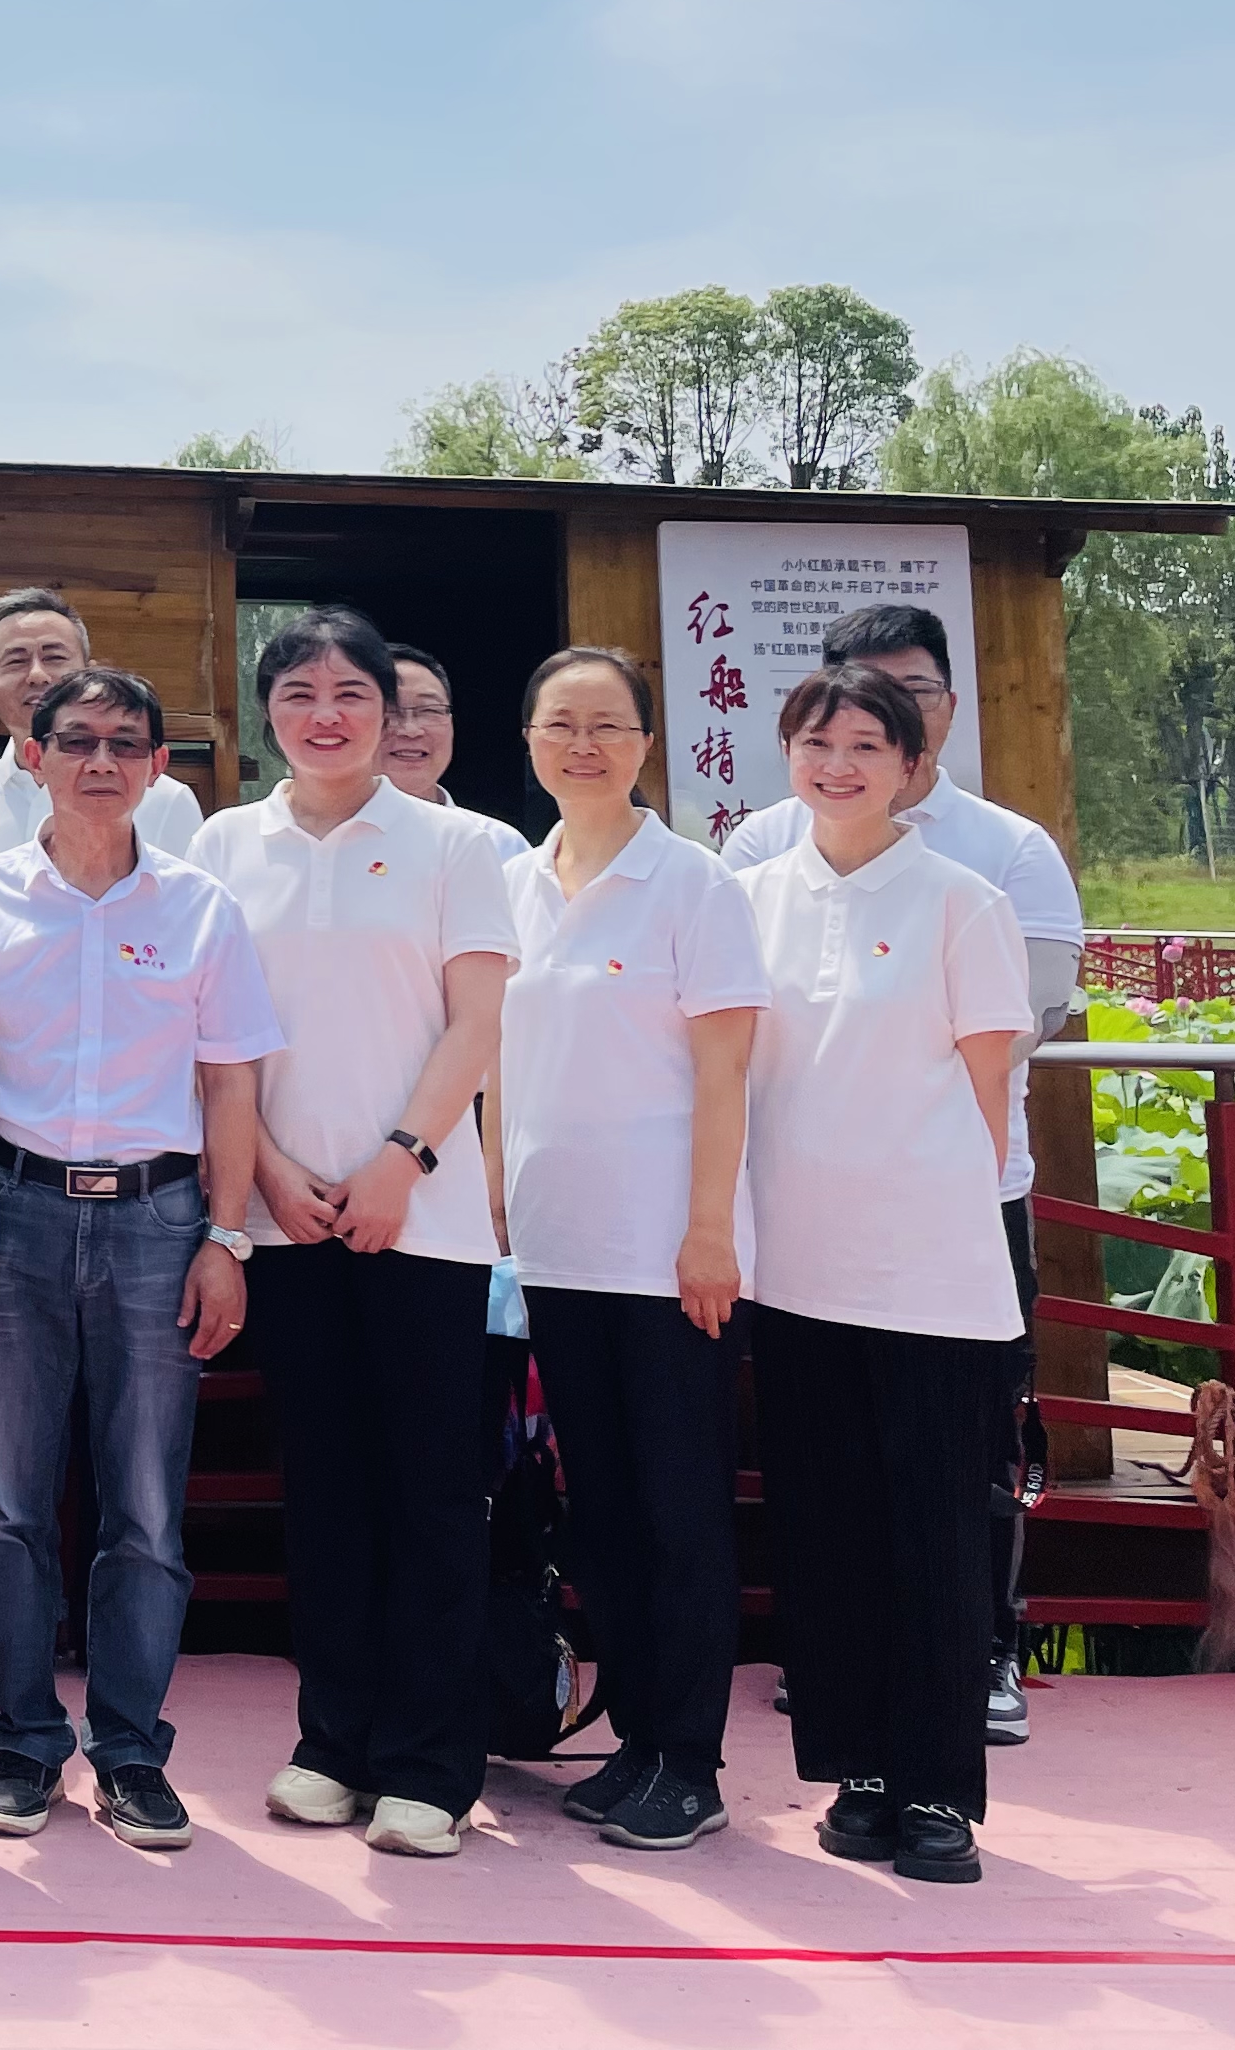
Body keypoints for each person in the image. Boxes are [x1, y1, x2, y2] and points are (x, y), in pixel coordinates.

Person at [720, 601, 1083, 1748]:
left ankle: (977, 1669)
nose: (845, 757)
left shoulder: (996, 860)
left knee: (961, 1462)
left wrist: (915, 1158)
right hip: (800, 1224)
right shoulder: (755, 861)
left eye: (892, 712)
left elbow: (1014, 1033)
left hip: (955, 1213)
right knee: (823, 1471)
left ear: (930, 729)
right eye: (824, 732)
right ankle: (847, 1706)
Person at [188, 605, 515, 1859]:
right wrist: (266, 1172)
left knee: (432, 1491)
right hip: (285, 1220)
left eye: (352, 695)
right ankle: (333, 1742)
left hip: (419, 1219)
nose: (325, 716)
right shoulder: (226, 844)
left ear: (390, 711)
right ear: (266, 712)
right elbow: (214, 1035)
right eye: (299, 694)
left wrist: (403, 1160)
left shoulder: (455, 844)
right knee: (323, 1490)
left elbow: (475, 1024)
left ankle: (431, 1764)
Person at [0, 664, 277, 1854]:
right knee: (10, 1507)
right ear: (33, 757)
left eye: (125, 743)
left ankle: (131, 1751)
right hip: (15, 1214)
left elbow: (231, 1081)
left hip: (157, 1221)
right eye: (77, 741)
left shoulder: (201, 909)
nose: (100, 762)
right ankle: (24, 1742)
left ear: (158, 767)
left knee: (144, 1508)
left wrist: (227, 1238)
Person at [496, 646, 771, 1853]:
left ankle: (689, 1760)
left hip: (668, 1256)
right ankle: (638, 1742)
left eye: (608, 725)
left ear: (647, 745)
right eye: (561, 724)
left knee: (679, 1508)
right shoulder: (514, 881)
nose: (584, 746)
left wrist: (709, 1230)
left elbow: (726, 1069)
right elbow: (496, 1061)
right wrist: (499, 1203)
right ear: (529, 742)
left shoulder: (693, 884)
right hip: (558, 1249)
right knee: (600, 1510)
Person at [0, 589, 208, 887]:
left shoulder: (167, 800)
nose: (37, 675)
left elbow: (188, 903)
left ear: (88, 674)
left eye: (54, 657)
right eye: (16, 661)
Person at [384, 646, 530, 876]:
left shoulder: (501, 844)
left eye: (429, 710)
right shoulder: (325, 839)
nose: (410, 730)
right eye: (390, 711)